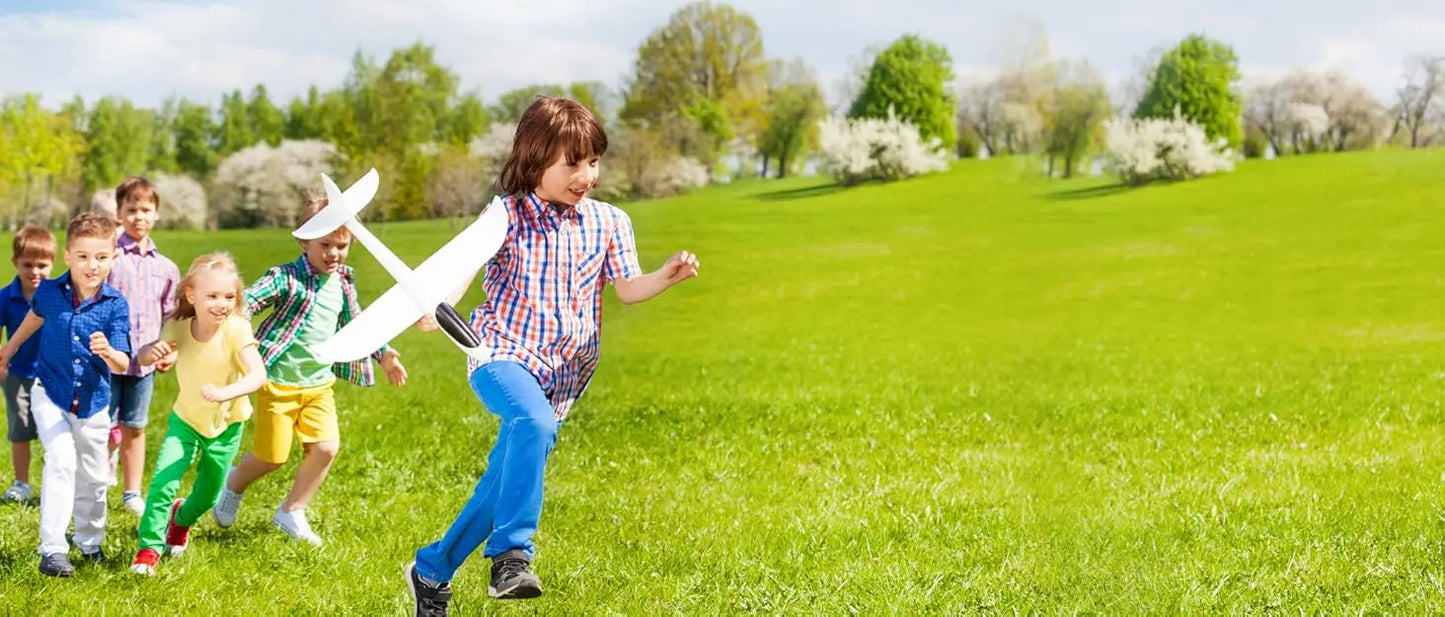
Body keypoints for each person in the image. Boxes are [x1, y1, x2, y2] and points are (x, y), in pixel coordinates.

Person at [404, 96, 699, 614]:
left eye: (593, 161)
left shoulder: (608, 221)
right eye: (572, 163)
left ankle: (431, 571)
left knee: (505, 478)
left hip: (563, 377)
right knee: (531, 424)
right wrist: (440, 302)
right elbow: (466, 266)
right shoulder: (506, 215)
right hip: (501, 353)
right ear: (535, 159)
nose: (586, 174)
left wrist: (665, 277)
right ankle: (512, 555)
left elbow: (627, 288)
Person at [212, 195, 408, 545]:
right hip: (277, 386)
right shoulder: (286, 279)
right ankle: (234, 482)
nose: (334, 253)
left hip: (319, 386)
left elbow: (357, 326)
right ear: (304, 240)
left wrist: (386, 355)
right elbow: (249, 302)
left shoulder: (344, 284)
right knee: (272, 457)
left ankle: (291, 511)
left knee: (326, 448)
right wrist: (232, 324)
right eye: (326, 245)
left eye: (342, 245)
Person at [0, 212, 132, 577]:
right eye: (84, 256)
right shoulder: (49, 293)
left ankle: (90, 542)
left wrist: (109, 352)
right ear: (68, 256)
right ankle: (53, 550)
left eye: (102, 257)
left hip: (93, 402)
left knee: (93, 475)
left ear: (113, 258)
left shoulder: (115, 304)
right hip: (51, 392)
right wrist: (7, 352)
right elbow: (34, 318)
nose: (93, 265)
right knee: (60, 461)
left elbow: (123, 362)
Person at [128, 253, 264, 575]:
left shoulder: (237, 330)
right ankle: (148, 549)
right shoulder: (177, 326)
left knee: (207, 495)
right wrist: (153, 353)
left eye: (229, 296)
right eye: (213, 296)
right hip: (186, 420)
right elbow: (147, 357)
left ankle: (182, 519)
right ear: (192, 295)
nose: (222, 303)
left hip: (226, 425)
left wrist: (224, 394)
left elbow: (258, 375)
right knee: (164, 480)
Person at [105, 177, 181, 515]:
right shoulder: (108, 259)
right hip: (106, 360)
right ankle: (95, 476)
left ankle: (131, 492)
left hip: (143, 364)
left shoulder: (165, 268)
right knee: (99, 427)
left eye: (145, 210)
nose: (138, 216)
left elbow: (171, 316)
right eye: (131, 210)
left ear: (156, 214)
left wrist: (172, 349)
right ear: (119, 213)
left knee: (135, 427)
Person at [0, 225, 56, 504]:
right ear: (15, 263)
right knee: (20, 429)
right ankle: (22, 483)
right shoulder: (5, 296)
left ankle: (54, 481)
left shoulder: (59, 296)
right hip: (18, 375)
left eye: (42, 265)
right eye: (28, 265)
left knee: (54, 432)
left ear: (53, 264)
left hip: (52, 377)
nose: (35, 272)